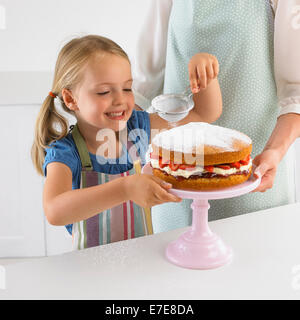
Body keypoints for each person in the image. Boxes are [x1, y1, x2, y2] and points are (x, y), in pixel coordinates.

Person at [31, 35, 223, 249]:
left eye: (127, 88)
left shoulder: (137, 129)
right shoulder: (66, 152)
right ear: (71, 99)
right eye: (104, 91)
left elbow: (204, 113)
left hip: (140, 260)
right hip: (91, 270)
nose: (120, 100)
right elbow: (55, 211)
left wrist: (205, 73)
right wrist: (124, 189)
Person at [133, 0, 300, 233]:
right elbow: (141, 90)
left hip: (253, 179)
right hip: (177, 180)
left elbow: (296, 94)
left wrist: (274, 151)